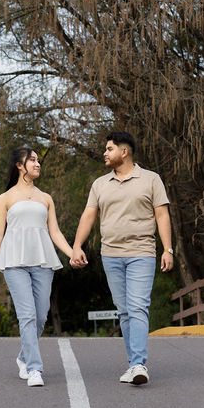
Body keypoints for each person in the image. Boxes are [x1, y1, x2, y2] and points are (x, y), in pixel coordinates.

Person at [70, 131, 173, 386]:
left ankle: (138, 363)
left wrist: (168, 249)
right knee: (125, 311)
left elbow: (162, 215)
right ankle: (133, 364)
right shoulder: (100, 184)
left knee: (138, 306)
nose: (104, 153)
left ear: (124, 152)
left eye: (109, 149)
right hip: (111, 255)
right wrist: (76, 246)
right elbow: (88, 215)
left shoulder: (151, 179)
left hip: (142, 253)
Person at [0, 147, 75, 387]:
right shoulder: (5, 198)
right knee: (26, 316)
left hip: (42, 263)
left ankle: (24, 357)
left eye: (38, 160)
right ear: (19, 165)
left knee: (41, 316)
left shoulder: (46, 198)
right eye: (32, 160)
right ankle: (35, 369)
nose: (37, 164)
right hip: (14, 264)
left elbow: (55, 232)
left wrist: (72, 253)